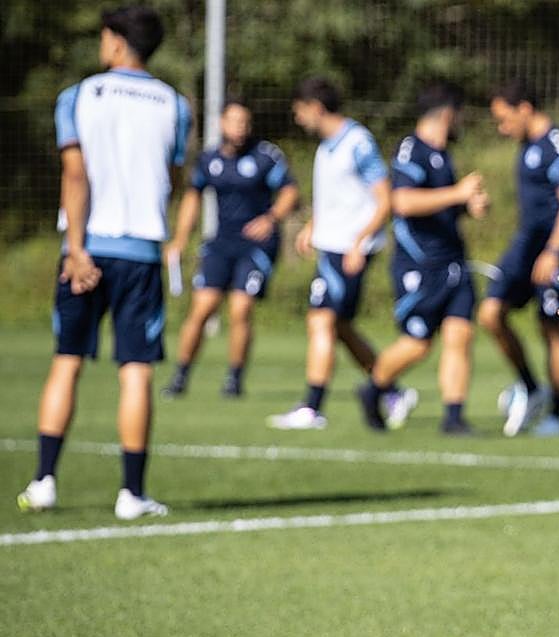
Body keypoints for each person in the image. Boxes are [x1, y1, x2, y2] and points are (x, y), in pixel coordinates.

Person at [17, 5, 190, 520]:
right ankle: (131, 495)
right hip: (140, 251)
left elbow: (75, 175)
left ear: (115, 41)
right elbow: (174, 178)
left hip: (87, 249)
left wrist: (76, 247)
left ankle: (44, 481)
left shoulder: (81, 95)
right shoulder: (174, 103)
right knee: (135, 372)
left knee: (67, 361)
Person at [356, 83, 488, 435]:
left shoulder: (443, 154)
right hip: (420, 265)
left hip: (454, 261)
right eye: (458, 115)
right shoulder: (411, 150)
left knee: (460, 335)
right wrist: (457, 193)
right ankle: (374, 389)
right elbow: (403, 203)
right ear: (447, 114)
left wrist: (466, 206)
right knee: (418, 344)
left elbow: (439, 205)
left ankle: (454, 416)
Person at [267, 78, 390, 430]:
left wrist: (359, 243)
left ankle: (312, 406)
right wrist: (312, 227)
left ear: (316, 108)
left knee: (320, 320)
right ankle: (391, 388)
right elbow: (334, 200)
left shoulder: (358, 143)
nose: (298, 118)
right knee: (339, 327)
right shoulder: (326, 148)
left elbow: (385, 200)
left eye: (300, 111)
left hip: (350, 250)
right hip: (332, 246)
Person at [162, 98, 299, 398]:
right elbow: (192, 197)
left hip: (256, 246)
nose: (240, 128)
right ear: (221, 124)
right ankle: (180, 376)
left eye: (245, 122)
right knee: (202, 308)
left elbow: (289, 191)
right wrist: (181, 238)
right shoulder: (209, 159)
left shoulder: (265, 156)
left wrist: (271, 218)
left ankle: (234, 379)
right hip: (220, 244)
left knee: (240, 308)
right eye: (234, 121)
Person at [483, 80, 559, 437]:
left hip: (553, 251)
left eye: (504, 118)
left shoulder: (558, 144)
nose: (502, 127)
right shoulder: (526, 146)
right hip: (524, 246)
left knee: (550, 327)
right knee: (491, 313)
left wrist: (554, 253)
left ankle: (555, 414)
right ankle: (530, 387)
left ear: (524, 108)